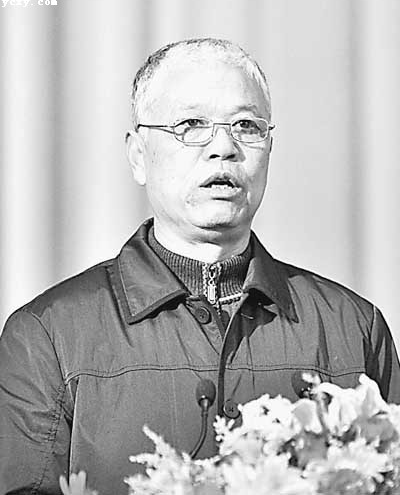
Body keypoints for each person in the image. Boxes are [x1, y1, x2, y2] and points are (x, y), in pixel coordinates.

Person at [1, 37, 400, 495]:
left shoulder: (351, 327)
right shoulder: (48, 336)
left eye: (246, 125)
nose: (224, 147)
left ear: (270, 148)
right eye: (191, 125)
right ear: (137, 155)